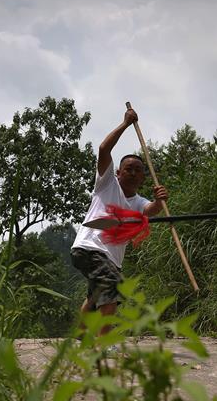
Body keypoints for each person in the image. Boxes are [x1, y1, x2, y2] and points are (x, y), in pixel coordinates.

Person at [71, 107, 168, 334]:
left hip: (107, 257)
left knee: (95, 297)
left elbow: (151, 210)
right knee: (112, 288)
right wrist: (125, 124)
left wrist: (160, 200)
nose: (133, 173)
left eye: (138, 170)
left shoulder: (138, 202)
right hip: (91, 247)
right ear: (118, 172)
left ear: (143, 177)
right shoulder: (106, 184)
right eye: (128, 169)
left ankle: (82, 335)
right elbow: (104, 149)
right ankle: (104, 340)